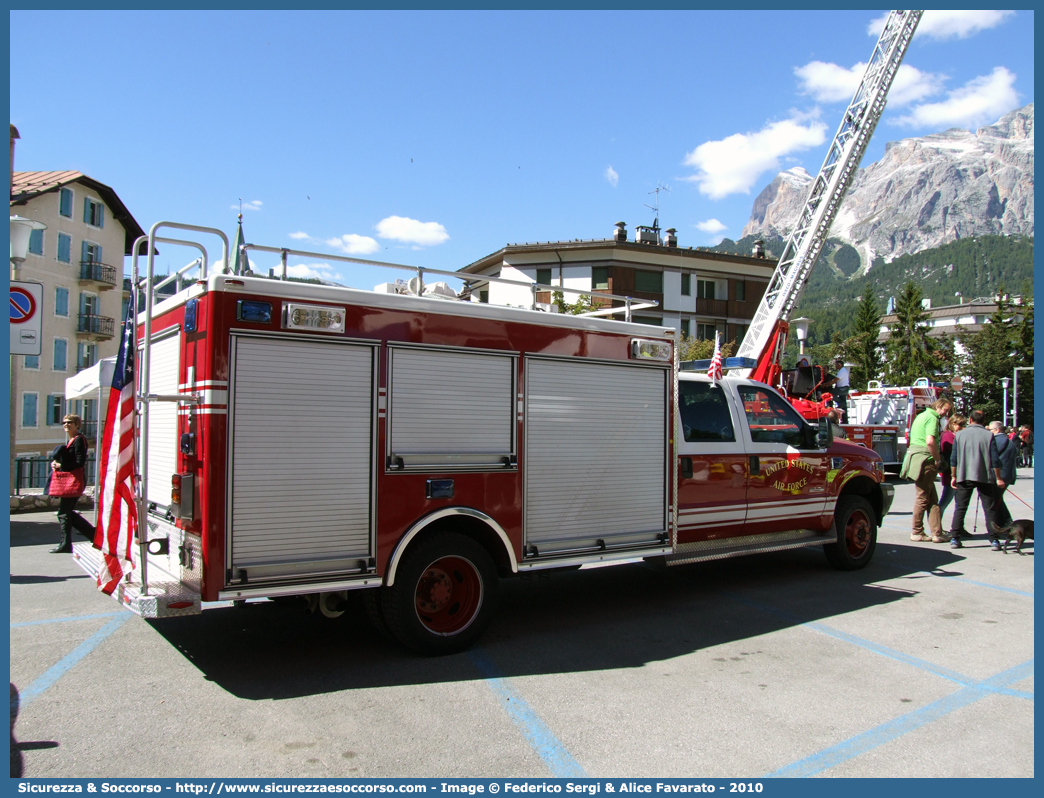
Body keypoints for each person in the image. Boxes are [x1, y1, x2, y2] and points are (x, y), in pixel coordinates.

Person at [947, 409, 1003, 550]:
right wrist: (998, 478)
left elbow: (953, 460)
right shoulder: (989, 435)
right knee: (989, 509)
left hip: (964, 475)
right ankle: (994, 540)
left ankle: (954, 537)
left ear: (970, 420)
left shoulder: (959, 435)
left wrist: (954, 476)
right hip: (985, 476)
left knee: (960, 507)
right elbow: (995, 460)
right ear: (984, 422)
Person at [900, 397, 952, 543]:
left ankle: (937, 532)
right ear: (939, 406)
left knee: (932, 498)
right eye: (945, 410)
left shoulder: (921, 416)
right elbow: (930, 441)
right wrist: (938, 459)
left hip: (916, 458)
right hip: (925, 460)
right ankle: (917, 531)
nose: (945, 414)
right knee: (923, 497)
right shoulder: (932, 418)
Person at [49, 414, 95, 553]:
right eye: (64, 422)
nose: (66, 425)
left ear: (77, 425)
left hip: (74, 480)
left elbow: (79, 462)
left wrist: (61, 465)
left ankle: (67, 543)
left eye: (70, 422)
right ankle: (93, 535)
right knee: (66, 512)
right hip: (71, 480)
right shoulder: (72, 440)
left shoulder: (79, 440)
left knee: (64, 513)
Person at [989, 421, 1018, 532]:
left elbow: (992, 457)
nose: (989, 432)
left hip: (999, 476)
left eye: (990, 430)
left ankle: (1005, 523)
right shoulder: (1008, 440)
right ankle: (1006, 521)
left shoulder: (997, 440)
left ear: (997, 430)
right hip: (1007, 475)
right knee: (998, 500)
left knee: (995, 501)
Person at [938, 413, 966, 530]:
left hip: (956, 472)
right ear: (952, 423)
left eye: (963, 425)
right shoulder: (948, 435)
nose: (961, 427)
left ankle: (959, 527)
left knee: (960, 503)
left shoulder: (954, 435)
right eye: (959, 425)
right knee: (945, 501)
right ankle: (937, 527)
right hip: (951, 472)